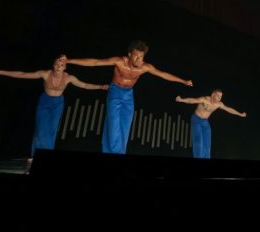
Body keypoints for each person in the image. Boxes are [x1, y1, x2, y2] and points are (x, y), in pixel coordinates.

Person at [63, 40, 193, 154]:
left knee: (125, 125)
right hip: (115, 92)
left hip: (128, 94)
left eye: (141, 57)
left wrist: (183, 81)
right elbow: (95, 62)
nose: (139, 60)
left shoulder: (145, 67)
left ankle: (119, 152)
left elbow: (164, 74)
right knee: (113, 124)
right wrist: (69, 60)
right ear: (130, 55)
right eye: (136, 57)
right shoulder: (120, 62)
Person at [0, 55, 108, 160]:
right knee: (42, 128)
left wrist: (100, 86)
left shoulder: (69, 77)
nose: (58, 67)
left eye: (61, 65)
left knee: (52, 130)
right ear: (53, 65)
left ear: (65, 67)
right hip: (45, 102)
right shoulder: (45, 74)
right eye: (56, 64)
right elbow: (22, 74)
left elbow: (85, 85)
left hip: (58, 103)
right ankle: (37, 155)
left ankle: (40, 153)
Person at [175, 89, 246, 159]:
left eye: (220, 96)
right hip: (196, 120)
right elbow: (192, 100)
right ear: (212, 95)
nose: (219, 98)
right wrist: (182, 100)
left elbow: (229, 109)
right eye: (218, 96)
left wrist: (240, 114)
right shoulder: (205, 99)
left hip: (205, 122)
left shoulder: (219, 104)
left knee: (207, 146)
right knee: (198, 142)